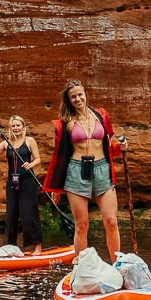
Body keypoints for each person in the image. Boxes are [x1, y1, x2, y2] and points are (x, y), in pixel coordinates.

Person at [42, 79, 124, 261]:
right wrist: (56, 188)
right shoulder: (65, 123)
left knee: (111, 221)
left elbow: (110, 143)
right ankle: (82, 269)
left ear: (86, 94)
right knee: (82, 224)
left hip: (102, 168)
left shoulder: (101, 115)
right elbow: (60, 156)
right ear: (69, 100)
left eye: (80, 94)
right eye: (73, 97)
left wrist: (120, 147)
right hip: (76, 171)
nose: (78, 99)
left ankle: (117, 264)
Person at [0, 115, 44, 251]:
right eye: (13, 126)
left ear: (23, 127)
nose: (16, 128)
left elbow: (38, 159)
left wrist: (31, 164)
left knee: (28, 213)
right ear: (10, 128)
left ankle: (37, 247)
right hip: (12, 182)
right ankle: (9, 247)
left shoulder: (29, 141)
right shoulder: (6, 143)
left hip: (27, 181)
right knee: (11, 215)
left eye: (18, 125)